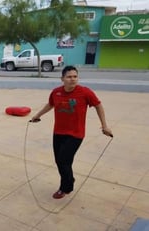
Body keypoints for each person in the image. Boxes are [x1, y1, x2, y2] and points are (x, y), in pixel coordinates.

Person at [31, 65, 113, 199]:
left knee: (64, 160)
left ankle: (66, 187)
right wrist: (38, 115)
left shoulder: (85, 92)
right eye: (69, 77)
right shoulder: (56, 92)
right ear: (62, 78)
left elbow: (98, 105)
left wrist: (104, 126)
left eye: (75, 76)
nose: (73, 79)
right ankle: (68, 181)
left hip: (76, 134)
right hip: (58, 132)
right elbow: (50, 104)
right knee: (60, 161)